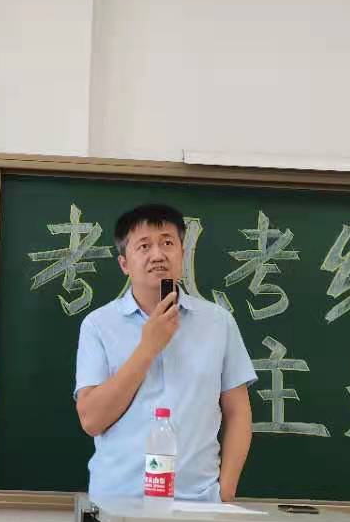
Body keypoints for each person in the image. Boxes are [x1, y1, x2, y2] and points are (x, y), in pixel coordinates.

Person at [74, 203, 256, 502]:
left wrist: (226, 490)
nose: (158, 255)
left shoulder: (218, 323)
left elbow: (238, 411)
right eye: (144, 246)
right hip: (118, 500)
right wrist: (148, 347)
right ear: (124, 264)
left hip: (200, 501)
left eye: (167, 243)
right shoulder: (98, 325)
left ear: (183, 254)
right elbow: (92, 420)